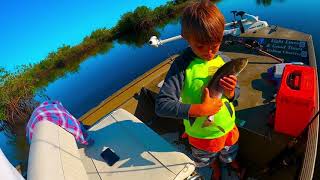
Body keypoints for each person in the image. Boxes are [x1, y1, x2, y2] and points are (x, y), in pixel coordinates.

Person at [155, 0, 240, 179]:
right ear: (186, 38)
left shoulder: (224, 60)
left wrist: (231, 92)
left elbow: (235, 96)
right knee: (206, 158)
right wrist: (200, 110)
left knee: (229, 150)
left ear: (221, 38)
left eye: (215, 46)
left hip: (228, 127)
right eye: (200, 46)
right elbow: (162, 105)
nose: (209, 52)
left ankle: (230, 161)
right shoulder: (181, 66)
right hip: (202, 135)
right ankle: (214, 166)